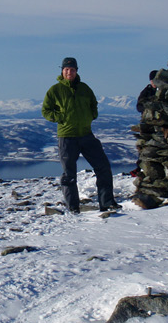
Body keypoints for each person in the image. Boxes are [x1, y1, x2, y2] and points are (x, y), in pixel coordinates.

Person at [41, 57, 119, 212]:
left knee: (103, 167)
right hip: (67, 137)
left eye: (72, 69)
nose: (69, 72)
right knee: (69, 174)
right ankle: (73, 207)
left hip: (86, 134)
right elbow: (46, 111)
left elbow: (93, 103)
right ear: (62, 71)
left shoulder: (84, 88)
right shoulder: (55, 90)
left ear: (77, 71)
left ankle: (107, 203)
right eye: (66, 69)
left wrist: (92, 115)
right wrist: (60, 118)